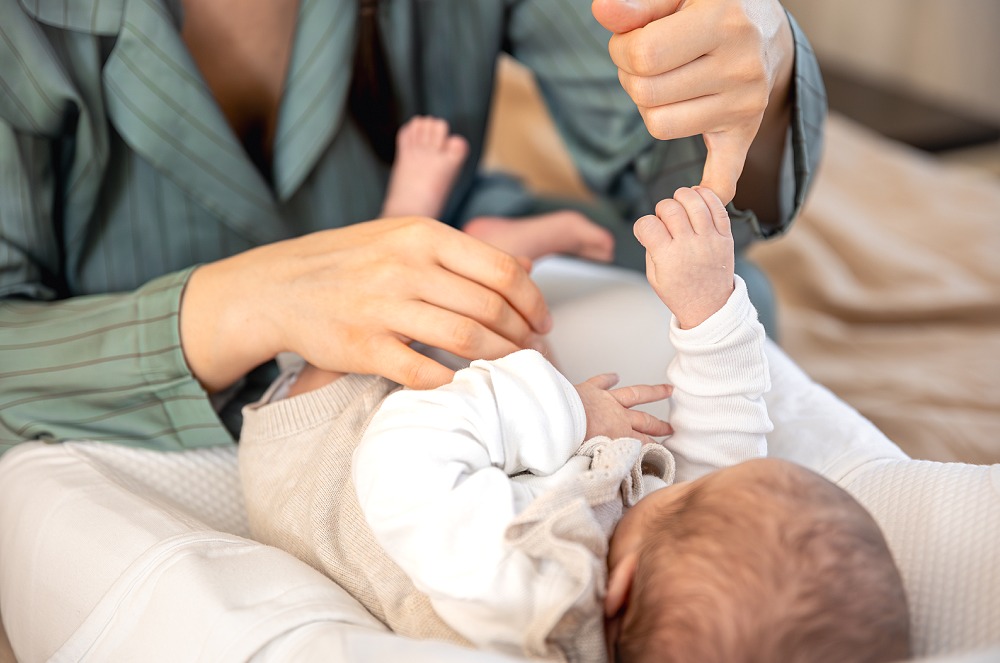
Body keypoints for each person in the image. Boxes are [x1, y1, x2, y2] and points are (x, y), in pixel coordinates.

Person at [0, 0, 825, 456]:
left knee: (721, 301)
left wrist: (760, 61)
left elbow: (688, 189)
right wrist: (252, 304)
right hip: (110, 382)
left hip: (457, 250)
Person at [238, 186, 910, 662]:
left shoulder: (522, 600)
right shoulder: (666, 579)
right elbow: (727, 438)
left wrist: (569, 412)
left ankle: (408, 223)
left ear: (617, 588)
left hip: (328, 453)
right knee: (535, 394)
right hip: (481, 479)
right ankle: (483, 267)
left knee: (412, 354)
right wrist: (708, 309)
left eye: (689, 496)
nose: (695, 477)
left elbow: (401, 460)